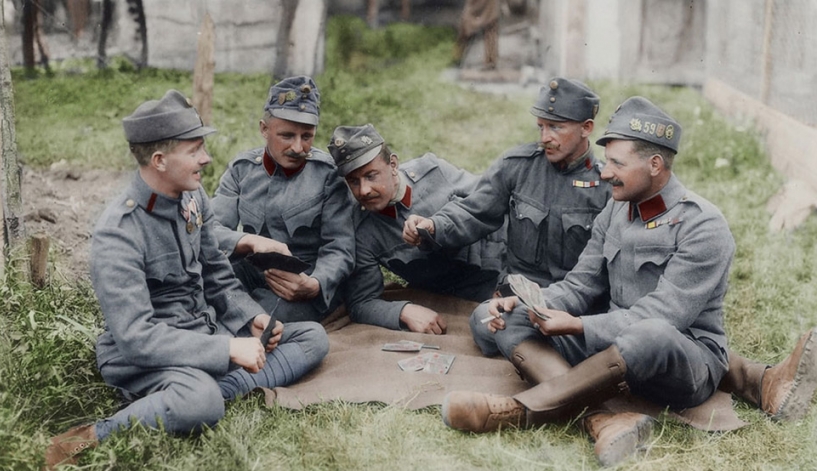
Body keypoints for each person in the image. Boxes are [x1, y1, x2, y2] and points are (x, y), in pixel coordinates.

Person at [439, 96, 817, 467]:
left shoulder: (703, 225)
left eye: (616, 164)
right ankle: (603, 417)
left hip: (682, 362)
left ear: (655, 164)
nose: (604, 173)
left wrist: (579, 325)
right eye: (606, 162)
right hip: (613, 353)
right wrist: (529, 305)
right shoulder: (617, 209)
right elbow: (580, 284)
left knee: (650, 332)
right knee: (493, 317)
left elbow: (665, 316)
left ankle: (522, 410)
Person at [44, 90, 329, 470]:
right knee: (203, 404)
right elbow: (136, 337)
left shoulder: (192, 199)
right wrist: (228, 350)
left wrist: (249, 319)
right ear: (160, 160)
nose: (206, 159)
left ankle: (202, 391)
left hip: (205, 333)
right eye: (195, 150)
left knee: (312, 338)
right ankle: (96, 434)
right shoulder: (119, 232)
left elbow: (216, 273)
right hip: (148, 356)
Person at [403, 77, 612, 355]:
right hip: (520, 294)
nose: (545, 137)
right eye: (541, 126)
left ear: (587, 128)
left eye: (556, 127)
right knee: (483, 321)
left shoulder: (608, 186)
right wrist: (433, 225)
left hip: (578, 301)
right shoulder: (518, 166)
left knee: (511, 328)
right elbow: (474, 210)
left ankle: (543, 354)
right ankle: (561, 355)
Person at [328, 124, 505, 334]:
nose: (364, 190)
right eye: (353, 181)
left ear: (393, 164)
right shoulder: (361, 230)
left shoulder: (432, 172)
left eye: (371, 176)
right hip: (457, 300)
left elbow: (492, 202)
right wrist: (404, 311)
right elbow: (362, 302)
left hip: (504, 269)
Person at [211, 76, 355, 323]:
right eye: (287, 136)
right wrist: (249, 240)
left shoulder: (327, 176)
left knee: (258, 320)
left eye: (307, 136)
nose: (298, 148)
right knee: (204, 292)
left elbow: (340, 247)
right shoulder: (241, 169)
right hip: (253, 271)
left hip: (302, 283)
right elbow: (210, 230)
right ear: (264, 129)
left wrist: (316, 284)